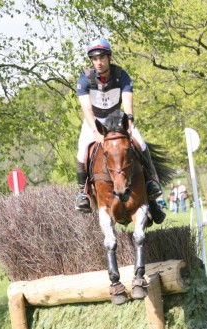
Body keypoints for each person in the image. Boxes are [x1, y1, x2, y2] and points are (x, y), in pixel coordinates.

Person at [73, 38, 165, 224]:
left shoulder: (121, 75)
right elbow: (86, 109)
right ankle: (83, 194)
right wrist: (95, 132)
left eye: (102, 58)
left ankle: (151, 183)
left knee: (141, 142)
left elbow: (128, 99)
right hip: (95, 121)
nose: (98, 62)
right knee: (82, 152)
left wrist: (129, 121)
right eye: (95, 58)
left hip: (117, 117)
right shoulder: (84, 79)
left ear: (109, 57)